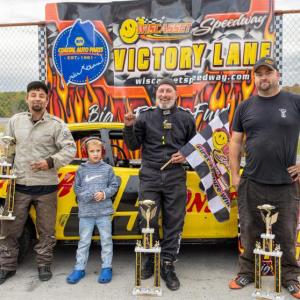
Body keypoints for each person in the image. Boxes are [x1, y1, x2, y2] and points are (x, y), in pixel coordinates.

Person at [229, 57, 300, 298]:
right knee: (249, 230)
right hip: (252, 181)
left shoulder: (294, 102)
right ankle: (247, 272)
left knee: (287, 233)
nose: (263, 78)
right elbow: (236, 142)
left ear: (277, 75)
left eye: (267, 73)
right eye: (258, 74)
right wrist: (235, 175)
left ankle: (290, 277)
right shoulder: (245, 106)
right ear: (254, 78)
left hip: (285, 183)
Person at [123, 78, 196, 291]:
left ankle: (167, 263)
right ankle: (150, 259)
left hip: (175, 177)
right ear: (156, 96)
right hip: (150, 176)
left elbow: (195, 146)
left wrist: (185, 155)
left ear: (176, 94)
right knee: (147, 220)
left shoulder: (186, 117)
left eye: (168, 91)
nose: (164, 95)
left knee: (174, 221)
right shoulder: (144, 116)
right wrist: (129, 126)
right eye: (161, 91)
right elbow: (133, 145)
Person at [0, 81, 76, 284]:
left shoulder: (57, 124)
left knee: (46, 231)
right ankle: (6, 266)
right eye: (33, 94)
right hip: (19, 186)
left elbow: (70, 150)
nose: (37, 98)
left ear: (47, 100)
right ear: (27, 98)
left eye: (41, 95)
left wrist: (49, 162)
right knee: (9, 229)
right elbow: (7, 150)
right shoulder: (15, 121)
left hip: (46, 187)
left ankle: (44, 265)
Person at [66, 137, 119, 284]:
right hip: (86, 214)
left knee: (106, 240)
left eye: (98, 151)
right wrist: (87, 195)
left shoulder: (108, 169)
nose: (95, 154)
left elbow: (114, 186)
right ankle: (79, 268)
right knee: (84, 241)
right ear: (86, 152)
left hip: (104, 213)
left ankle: (107, 267)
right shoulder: (81, 170)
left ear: (102, 152)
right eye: (92, 151)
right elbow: (77, 188)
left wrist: (104, 193)